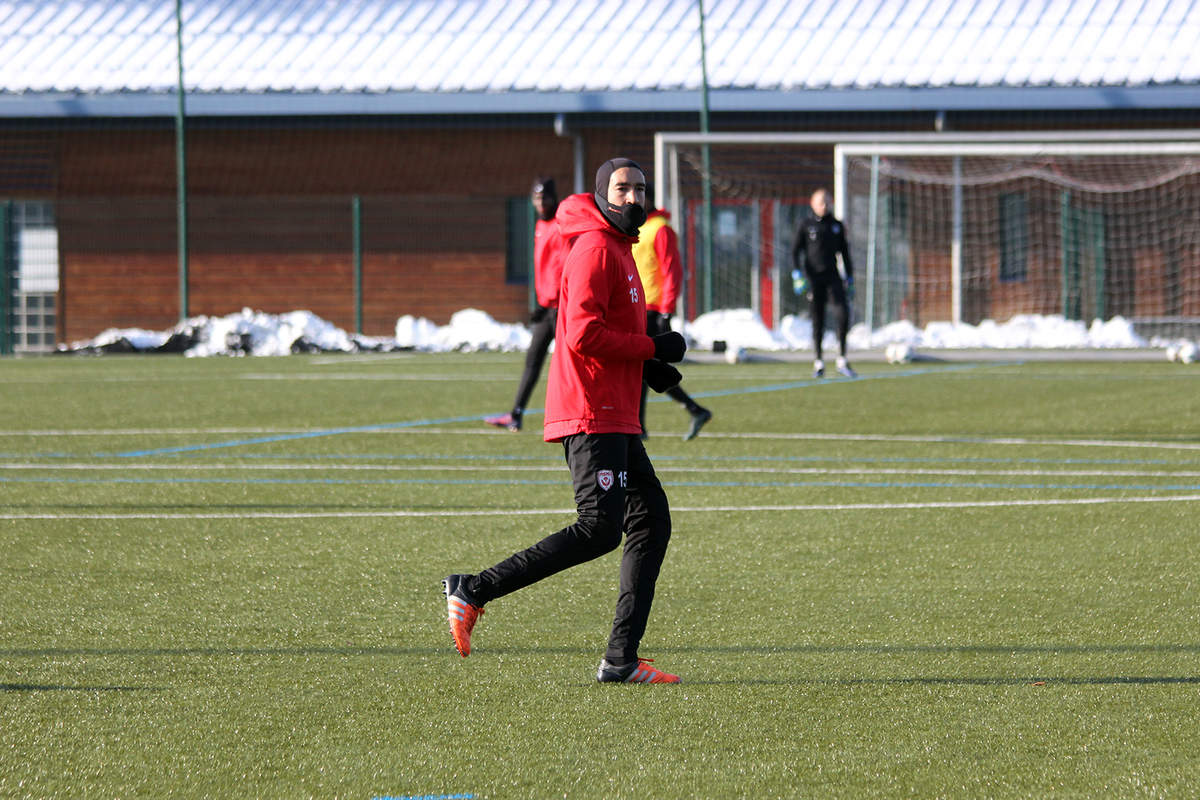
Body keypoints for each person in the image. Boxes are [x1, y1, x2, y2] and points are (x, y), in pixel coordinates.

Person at [444, 158, 687, 684]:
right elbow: (579, 335)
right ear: (602, 195)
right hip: (590, 411)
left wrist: (649, 367)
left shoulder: (622, 249)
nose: (633, 197)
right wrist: (651, 344)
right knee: (600, 528)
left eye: (640, 189)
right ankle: (475, 589)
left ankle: (621, 659)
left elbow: (607, 332)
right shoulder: (595, 249)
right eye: (622, 188)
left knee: (651, 521)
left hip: (615, 413)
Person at [486, 177, 571, 432]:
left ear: (554, 198)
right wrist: (542, 304)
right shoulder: (540, 226)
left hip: (562, 309)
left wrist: (556, 301)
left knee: (572, 365)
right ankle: (516, 414)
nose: (540, 203)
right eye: (536, 198)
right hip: (548, 309)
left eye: (544, 197)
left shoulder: (561, 225)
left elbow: (563, 266)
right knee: (532, 361)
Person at [633, 191, 712, 441]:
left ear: (647, 199)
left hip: (653, 308)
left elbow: (671, 271)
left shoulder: (660, 228)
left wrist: (666, 309)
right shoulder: (636, 228)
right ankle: (695, 410)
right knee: (646, 366)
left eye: (637, 193)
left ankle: (639, 426)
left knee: (642, 365)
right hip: (637, 307)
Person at [791, 188, 857, 378]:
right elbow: (795, 251)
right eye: (821, 201)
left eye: (827, 201)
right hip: (814, 279)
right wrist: (797, 274)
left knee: (843, 315)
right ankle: (819, 362)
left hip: (833, 278)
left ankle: (842, 359)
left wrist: (850, 278)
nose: (824, 205)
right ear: (813, 203)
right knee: (817, 320)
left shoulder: (836, 226)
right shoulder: (806, 225)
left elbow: (845, 254)